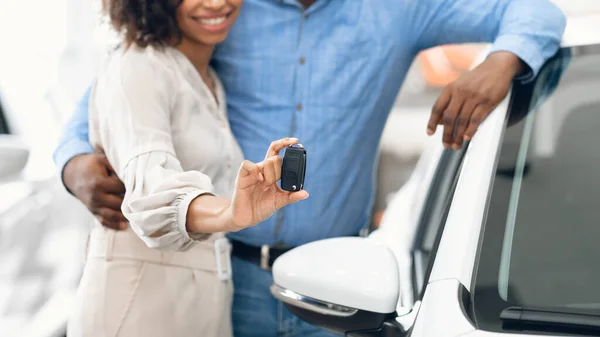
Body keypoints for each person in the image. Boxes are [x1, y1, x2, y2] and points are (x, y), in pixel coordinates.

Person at [54, 0, 566, 336]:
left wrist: (501, 63)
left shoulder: (396, 9)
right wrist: (75, 163)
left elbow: (534, 12)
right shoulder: (221, 9)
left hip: (344, 289)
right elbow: (115, 94)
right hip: (232, 276)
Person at [65, 0, 309, 336]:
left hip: (202, 303)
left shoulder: (206, 79)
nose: (215, 3)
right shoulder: (137, 68)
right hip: (139, 306)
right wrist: (232, 214)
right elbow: (152, 189)